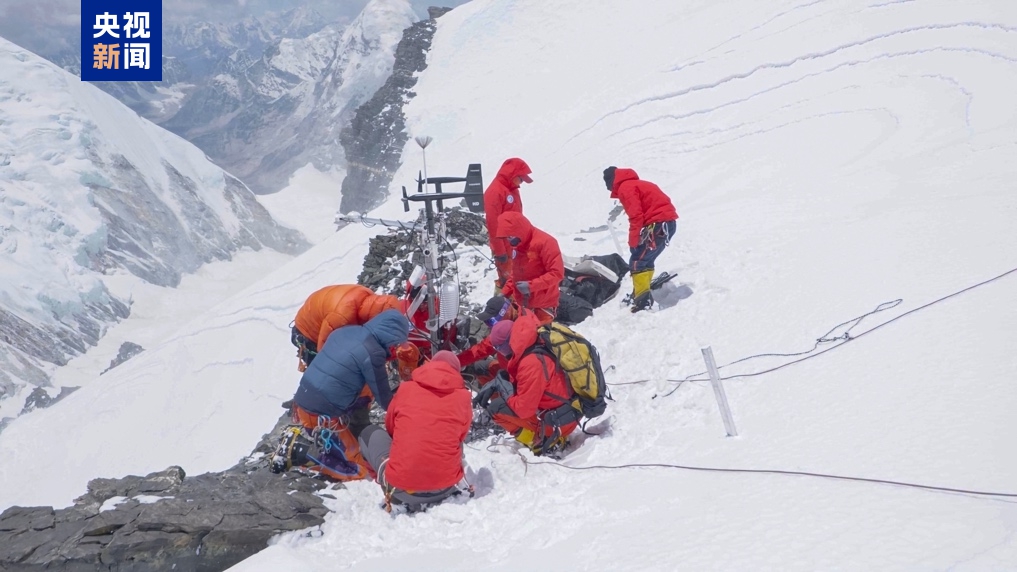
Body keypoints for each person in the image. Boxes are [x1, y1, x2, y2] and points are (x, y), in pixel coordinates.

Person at [289, 309, 410, 481]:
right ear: (392, 335)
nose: (395, 347)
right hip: (321, 415)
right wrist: (406, 417)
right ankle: (302, 453)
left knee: (356, 450)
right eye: (396, 342)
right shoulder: (372, 352)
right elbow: (384, 398)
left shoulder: (345, 331)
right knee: (360, 468)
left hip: (305, 398)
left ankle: (325, 448)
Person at [358, 351, 473, 512]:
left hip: (403, 490)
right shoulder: (463, 398)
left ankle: (390, 489)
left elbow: (391, 428)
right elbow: (461, 435)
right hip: (446, 487)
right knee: (453, 437)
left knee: (368, 433)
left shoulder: (406, 389)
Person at [474, 313, 578, 457]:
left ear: (508, 343)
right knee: (503, 391)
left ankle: (544, 442)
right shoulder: (533, 341)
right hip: (565, 410)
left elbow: (523, 410)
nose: (501, 353)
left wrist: (505, 390)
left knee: (496, 408)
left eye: (500, 348)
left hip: (558, 422)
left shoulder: (530, 363)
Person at [603, 167, 679, 312]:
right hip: (666, 224)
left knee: (637, 261)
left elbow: (636, 216)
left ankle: (643, 301)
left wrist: (633, 241)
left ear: (612, 180)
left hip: (658, 225)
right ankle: (641, 291)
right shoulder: (638, 184)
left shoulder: (626, 188)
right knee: (645, 260)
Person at [291, 284, 401, 370]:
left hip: (321, 312)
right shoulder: (342, 318)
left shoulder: (369, 299)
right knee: (326, 374)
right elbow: (325, 352)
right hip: (307, 331)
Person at [495, 211, 564, 325]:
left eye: (511, 236)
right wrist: (504, 292)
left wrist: (531, 286)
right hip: (523, 304)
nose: (509, 240)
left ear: (519, 230)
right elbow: (515, 275)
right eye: (507, 237)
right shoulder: (517, 245)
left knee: (539, 335)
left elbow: (557, 273)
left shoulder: (546, 242)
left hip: (542, 306)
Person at [484, 158, 534, 290]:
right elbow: (493, 224)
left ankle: (513, 302)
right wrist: (500, 251)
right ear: (513, 174)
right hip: (505, 248)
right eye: (521, 179)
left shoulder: (512, 189)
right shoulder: (495, 192)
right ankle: (502, 302)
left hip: (515, 246)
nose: (521, 183)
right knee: (508, 283)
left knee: (519, 280)